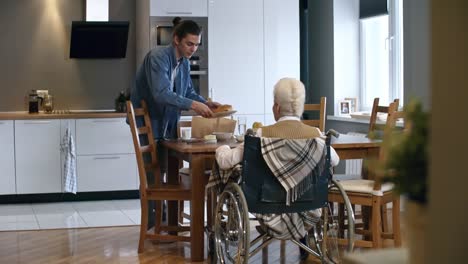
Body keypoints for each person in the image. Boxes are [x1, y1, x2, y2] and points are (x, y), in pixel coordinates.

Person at [214, 77, 339, 260]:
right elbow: (334, 160)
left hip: (265, 205)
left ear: (277, 107)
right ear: (300, 107)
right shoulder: (317, 137)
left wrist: (222, 148)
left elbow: (225, 162)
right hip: (308, 206)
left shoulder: (261, 136)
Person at [130, 19, 220, 140]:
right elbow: (161, 94)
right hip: (149, 124)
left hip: (169, 123)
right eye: (189, 44)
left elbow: (188, 92)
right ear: (176, 40)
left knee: (176, 157)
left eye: (196, 45)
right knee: (158, 160)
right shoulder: (158, 57)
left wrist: (205, 103)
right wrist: (194, 105)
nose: (194, 49)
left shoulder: (185, 63)